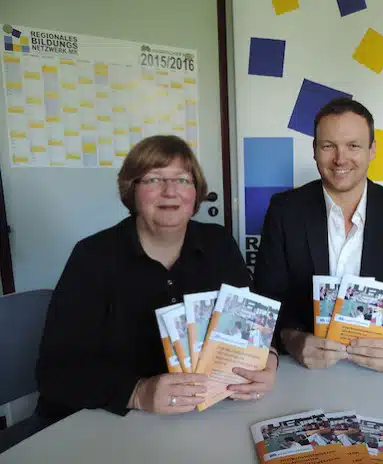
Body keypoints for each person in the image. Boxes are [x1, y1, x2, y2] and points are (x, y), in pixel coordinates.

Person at [36, 135, 278, 421]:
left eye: (182, 180)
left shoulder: (219, 244)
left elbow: (253, 327)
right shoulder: (93, 256)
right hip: (106, 421)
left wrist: (267, 359)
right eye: (153, 179)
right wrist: (137, 392)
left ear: (196, 193)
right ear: (132, 190)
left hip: (205, 414)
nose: (170, 191)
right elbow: (54, 371)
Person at [254, 97, 383, 372]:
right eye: (328, 146)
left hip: (382, 372)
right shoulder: (284, 210)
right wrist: (292, 338)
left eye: (353, 146)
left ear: (372, 150)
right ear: (314, 150)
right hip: (303, 371)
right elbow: (267, 295)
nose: (340, 159)